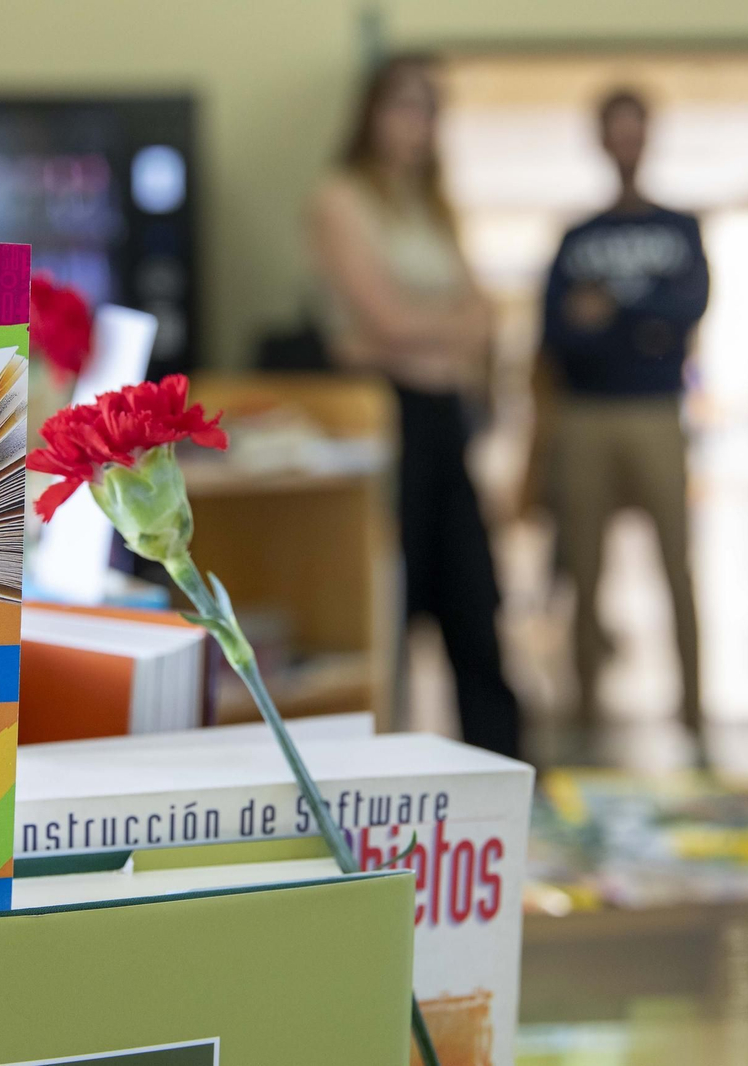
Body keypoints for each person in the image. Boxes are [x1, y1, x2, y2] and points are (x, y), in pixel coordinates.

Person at [309, 56, 522, 757]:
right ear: (370, 112)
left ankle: (509, 780)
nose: (417, 123)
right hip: (383, 417)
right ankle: (381, 779)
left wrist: (420, 333)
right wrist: (436, 331)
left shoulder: (434, 209)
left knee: (474, 606)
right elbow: (384, 323)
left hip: (444, 418)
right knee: (386, 608)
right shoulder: (342, 199)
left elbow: (481, 319)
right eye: (403, 105)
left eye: (429, 108)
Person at [531, 88, 710, 730]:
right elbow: (555, 331)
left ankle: (694, 712)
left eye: (636, 129)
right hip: (585, 417)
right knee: (584, 568)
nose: (626, 142)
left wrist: (609, 312)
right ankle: (584, 713)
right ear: (602, 140)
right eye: (615, 130)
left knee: (677, 566)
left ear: (648, 136)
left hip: (657, 413)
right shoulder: (578, 236)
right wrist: (643, 321)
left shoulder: (679, 228)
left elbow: (687, 310)